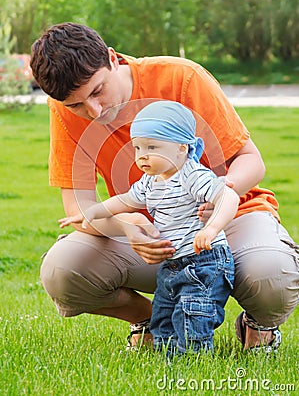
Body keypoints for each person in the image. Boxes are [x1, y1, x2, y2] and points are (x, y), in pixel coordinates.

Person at [30, 22, 298, 353]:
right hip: (154, 237)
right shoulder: (62, 109)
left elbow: (252, 161)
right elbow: (78, 209)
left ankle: (259, 327)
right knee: (62, 270)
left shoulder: (181, 78)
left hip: (231, 219)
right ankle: (154, 321)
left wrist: (220, 194)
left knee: (273, 276)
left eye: (98, 91)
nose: (93, 112)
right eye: (76, 105)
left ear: (112, 60)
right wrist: (125, 226)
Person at [58, 101, 239, 355]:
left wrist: (212, 228)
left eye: (152, 147)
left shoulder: (192, 175)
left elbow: (228, 197)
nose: (142, 155)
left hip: (204, 263)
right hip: (172, 263)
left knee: (193, 314)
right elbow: (124, 201)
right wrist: (91, 212)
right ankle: (168, 355)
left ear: (181, 147)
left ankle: (193, 360)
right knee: (163, 316)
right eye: (137, 147)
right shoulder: (151, 182)